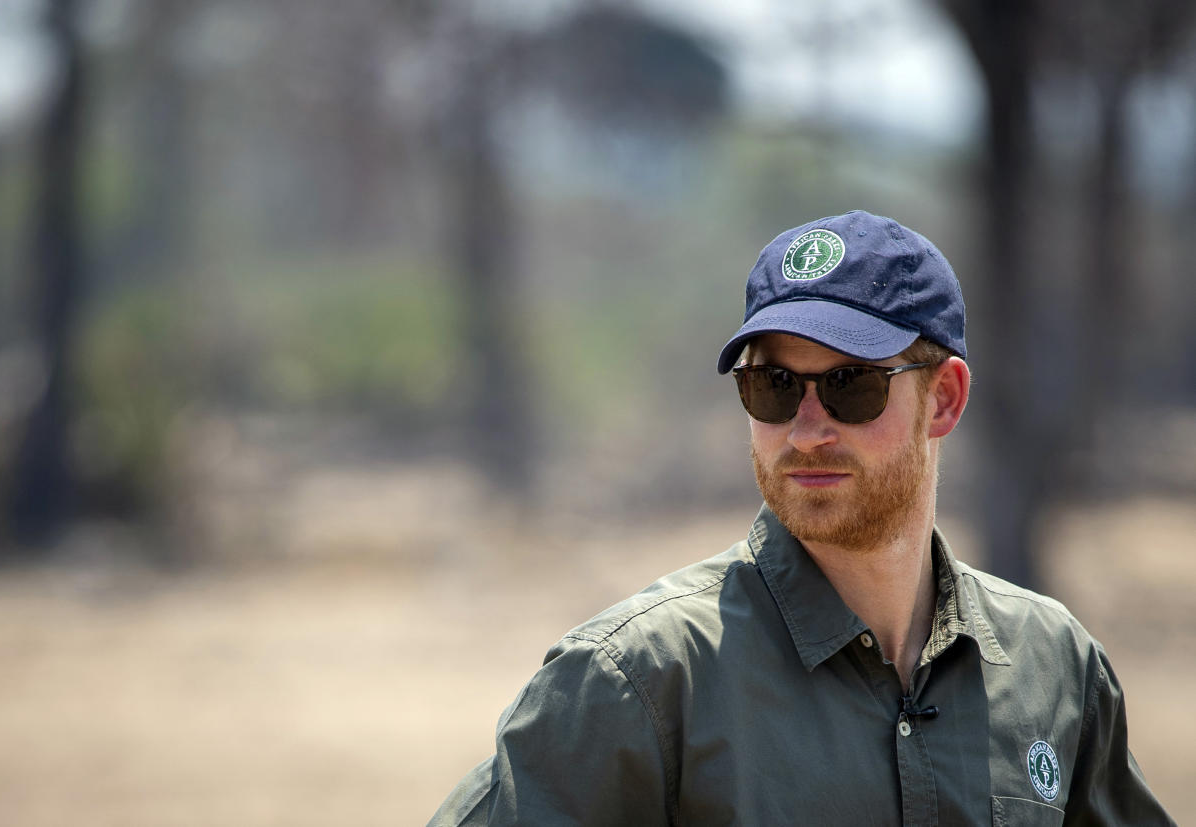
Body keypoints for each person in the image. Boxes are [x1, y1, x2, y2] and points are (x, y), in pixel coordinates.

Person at [428, 210, 1174, 825]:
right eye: (774, 385)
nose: (807, 428)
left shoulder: (1055, 667)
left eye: (851, 385)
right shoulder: (638, 681)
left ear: (943, 398)